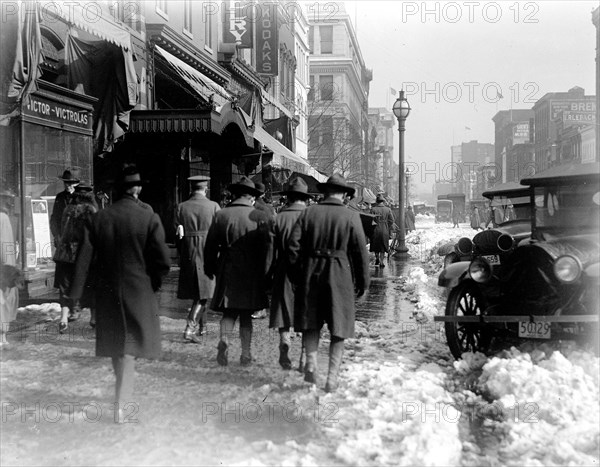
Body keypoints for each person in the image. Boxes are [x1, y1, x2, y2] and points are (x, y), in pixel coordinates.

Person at [71, 166, 170, 423]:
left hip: (107, 292)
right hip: (138, 290)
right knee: (127, 347)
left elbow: (83, 260)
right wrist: (153, 283)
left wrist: (76, 296)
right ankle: (121, 405)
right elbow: (162, 261)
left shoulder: (98, 219)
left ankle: (122, 398)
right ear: (137, 188)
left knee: (119, 345)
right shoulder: (149, 218)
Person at [288, 173, 370, 392]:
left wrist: (298, 275)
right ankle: (332, 378)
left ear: (324, 192)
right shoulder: (351, 216)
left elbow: (292, 247)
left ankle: (311, 364)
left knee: (311, 323)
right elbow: (361, 252)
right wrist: (363, 283)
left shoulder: (308, 213)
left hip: (311, 273)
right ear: (344, 195)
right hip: (339, 275)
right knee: (338, 328)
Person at [204, 176, 273, 367]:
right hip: (251, 270)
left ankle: (224, 340)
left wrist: (210, 269)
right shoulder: (259, 217)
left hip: (227, 267)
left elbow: (210, 246)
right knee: (245, 315)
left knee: (228, 312)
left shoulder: (221, 215)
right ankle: (245, 354)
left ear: (234, 195)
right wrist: (266, 273)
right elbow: (268, 247)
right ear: (252, 197)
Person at [268, 178, 312, 370]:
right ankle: (303, 357)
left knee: (283, 310)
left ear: (289, 198)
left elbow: (270, 251)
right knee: (307, 312)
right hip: (308, 271)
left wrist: (268, 274)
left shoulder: (278, 218)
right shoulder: (312, 217)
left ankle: (285, 340)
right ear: (305, 198)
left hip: (283, 269)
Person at [175, 176, 220, 343]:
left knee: (199, 291)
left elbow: (177, 235)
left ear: (191, 189)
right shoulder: (214, 206)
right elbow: (219, 232)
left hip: (189, 252)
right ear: (205, 188)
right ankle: (190, 327)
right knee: (204, 291)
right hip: (207, 251)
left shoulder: (181, 207)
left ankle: (203, 327)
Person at [53, 183, 98, 333]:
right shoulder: (91, 211)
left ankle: (63, 319)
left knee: (65, 287)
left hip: (65, 254)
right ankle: (93, 318)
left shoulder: (68, 209)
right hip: (84, 255)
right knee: (91, 284)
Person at [0, 190, 19, 346]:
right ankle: (2, 337)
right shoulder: (3, 218)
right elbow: (5, 246)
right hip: (3, 269)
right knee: (3, 301)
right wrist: (9, 269)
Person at [370, 194, 395, 267]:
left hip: (375, 229)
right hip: (384, 229)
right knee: (383, 246)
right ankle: (381, 261)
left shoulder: (373, 209)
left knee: (376, 245)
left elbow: (370, 220)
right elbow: (392, 220)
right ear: (383, 201)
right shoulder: (388, 209)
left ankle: (377, 258)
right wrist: (388, 225)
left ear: (377, 201)